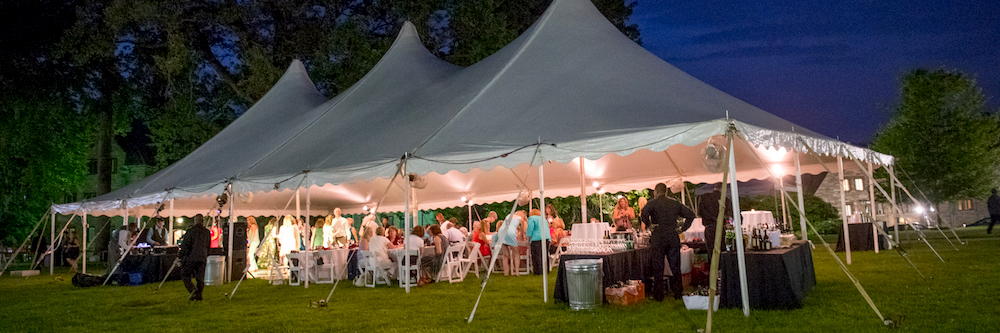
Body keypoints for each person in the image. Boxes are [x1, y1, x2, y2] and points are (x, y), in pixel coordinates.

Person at [641, 183, 696, 301]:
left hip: (658, 235)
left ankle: (659, 295)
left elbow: (643, 214)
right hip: (672, 234)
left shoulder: (652, 203)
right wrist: (682, 228)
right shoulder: (674, 203)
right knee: (675, 266)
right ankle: (678, 293)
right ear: (666, 191)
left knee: (658, 266)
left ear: (656, 191)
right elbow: (691, 214)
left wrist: (649, 225)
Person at [178, 214, 210, 301]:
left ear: (195, 221)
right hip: (202, 257)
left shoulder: (190, 231)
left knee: (185, 275)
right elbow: (208, 245)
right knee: (200, 277)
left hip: (191, 257)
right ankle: (199, 295)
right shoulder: (206, 232)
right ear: (202, 221)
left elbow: (186, 245)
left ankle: (193, 291)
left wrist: (181, 255)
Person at [697, 184, 732, 262]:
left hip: (709, 228)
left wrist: (710, 217)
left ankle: (714, 271)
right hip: (720, 228)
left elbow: (699, 213)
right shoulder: (726, 200)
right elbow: (732, 214)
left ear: (714, 187)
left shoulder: (704, 198)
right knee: (722, 250)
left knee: (711, 251)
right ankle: (722, 270)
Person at [525, 209, 551, 275]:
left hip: (536, 238)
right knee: (545, 255)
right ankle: (546, 269)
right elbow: (547, 229)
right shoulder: (544, 219)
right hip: (546, 237)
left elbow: (530, 228)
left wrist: (528, 236)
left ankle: (538, 271)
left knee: (536, 255)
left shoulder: (531, 218)